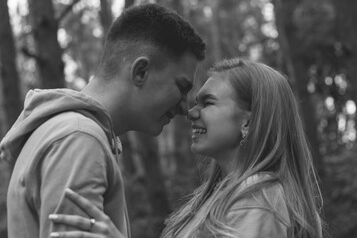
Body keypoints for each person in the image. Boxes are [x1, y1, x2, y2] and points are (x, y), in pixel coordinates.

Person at [49, 58, 324, 238]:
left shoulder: (260, 198)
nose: (191, 113)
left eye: (208, 103)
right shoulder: (224, 196)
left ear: (249, 122)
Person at [0, 3, 205, 238]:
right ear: (141, 72)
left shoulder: (69, 131)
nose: (184, 107)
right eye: (182, 87)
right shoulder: (79, 138)